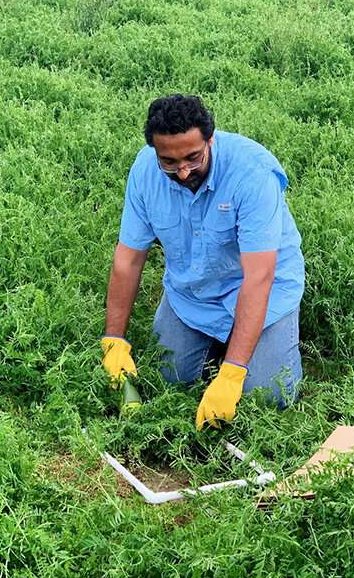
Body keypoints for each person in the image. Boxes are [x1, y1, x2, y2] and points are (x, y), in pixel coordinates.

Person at [100, 94, 305, 431]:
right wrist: (114, 341)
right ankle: (219, 347)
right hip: (192, 295)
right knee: (165, 378)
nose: (182, 172)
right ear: (155, 151)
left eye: (193, 158)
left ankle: (249, 351)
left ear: (210, 139)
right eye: (169, 161)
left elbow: (259, 277)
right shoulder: (144, 172)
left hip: (264, 292)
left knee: (268, 396)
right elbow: (129, 259)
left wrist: (233, 373)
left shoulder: (252, 174)